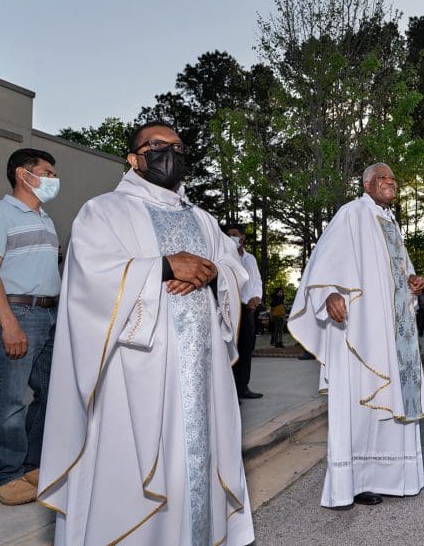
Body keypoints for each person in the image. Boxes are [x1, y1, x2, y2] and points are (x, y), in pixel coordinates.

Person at [37, 122, 255, 545]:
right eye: (157, 146)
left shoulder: (204, 220)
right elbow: (89, 276)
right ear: (134, 158)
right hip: (135, 371)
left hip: (201, 371)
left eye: (177, 146)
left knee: (195, 463)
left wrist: (211, 272)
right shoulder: (104, 211)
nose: (169, 152)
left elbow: (234, 270)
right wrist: (166, 266)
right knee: (132, 471)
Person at [287, 162, 424, 509]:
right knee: (360, 402)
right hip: (358, 329)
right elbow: (324, 261)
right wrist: (329, 294)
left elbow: (398, 274)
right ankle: (356, 481)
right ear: (366, 185)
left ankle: (396, 477)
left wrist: (412, 283)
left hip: (393, 332)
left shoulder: (392, 224)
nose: (389, 182)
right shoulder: (351, 214)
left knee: (391, 400)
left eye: (393, 178)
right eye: (382, 178)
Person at [0, 149, 61, 506]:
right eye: (46, 172)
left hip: (47, 314)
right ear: (23, 174)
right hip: (15, 312)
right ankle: (3, 477)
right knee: (9, 399)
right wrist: (8, 324)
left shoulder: (45, 219)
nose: (53, 179)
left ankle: (31, 466)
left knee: (51, 392)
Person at [224, 224, 264, 399]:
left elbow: (257, 281)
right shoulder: (225, 257)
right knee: (231, 348)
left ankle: (243, 387)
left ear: (242, 237)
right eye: (228, 235)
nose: (231, 237)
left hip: (248, 309)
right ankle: (230, 393)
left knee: (246, 348)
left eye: (234, 234)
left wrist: (257, 298)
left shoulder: (251, 259)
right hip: (232, 307)